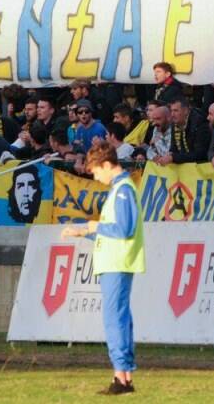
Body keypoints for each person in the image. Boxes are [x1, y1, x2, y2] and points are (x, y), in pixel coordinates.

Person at [62, 144, 143, 396]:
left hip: (116, 262)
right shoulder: (122, 189)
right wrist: (83, 233)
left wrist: (90, 227)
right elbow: (112, 231)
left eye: (97, 172)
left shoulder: (122, 190)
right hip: (115, 260)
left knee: (114, 319)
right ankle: (124, 376)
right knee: (120, 318)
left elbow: (122, 229)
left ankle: (121, 377)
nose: (96, 178)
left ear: (107, 165)